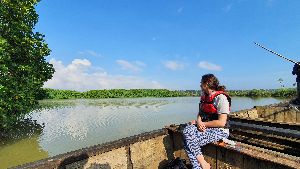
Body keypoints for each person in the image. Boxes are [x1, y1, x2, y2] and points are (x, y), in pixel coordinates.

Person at [183, 74, 231, 169]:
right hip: (207, 128)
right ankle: (200, 166)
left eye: (201, 83)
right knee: (187, 130)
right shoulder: (204, 96)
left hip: (220, 131)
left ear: (206, 84)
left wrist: (201, 124)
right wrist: (199, 121)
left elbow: (222, 122)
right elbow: (200, 113)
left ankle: (202, 165)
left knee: (188, 140)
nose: (200, 85)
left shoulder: (221, 98)